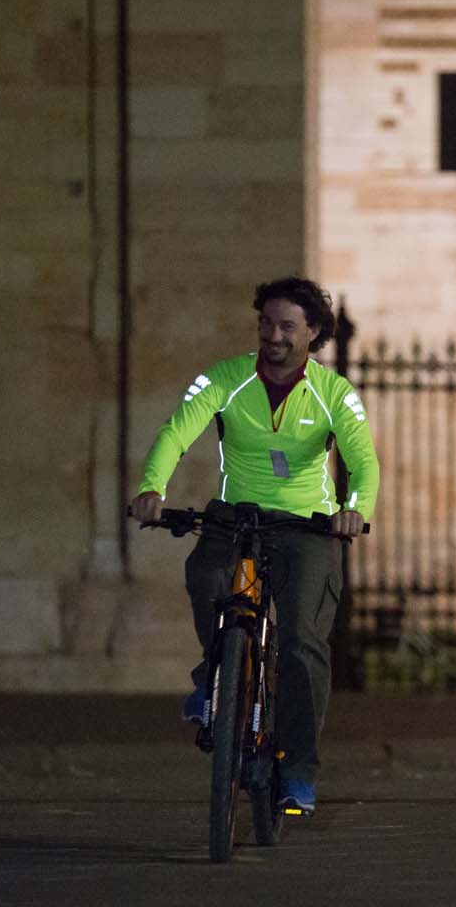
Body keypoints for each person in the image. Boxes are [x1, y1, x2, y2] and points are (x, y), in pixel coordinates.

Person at [128, 277, 380, 816]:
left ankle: (298, 771)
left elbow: (363, 460)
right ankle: (215, 675)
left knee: (302, 645)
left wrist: (355, 508)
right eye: (266, 323)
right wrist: (152, 488)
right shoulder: (226, 378)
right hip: (236, 515)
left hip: (307, 526)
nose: (274, 335)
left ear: (312, 333)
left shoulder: (335, 393)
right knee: (207, 575)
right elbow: (177, 431)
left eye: (287, 326)